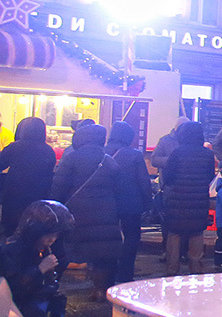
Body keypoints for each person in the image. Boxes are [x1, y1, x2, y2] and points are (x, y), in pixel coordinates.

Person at [50, 123, 124, 301]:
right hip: (106, 213)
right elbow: (119, 189)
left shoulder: (72, 158)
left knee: (64, 250)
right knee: (102, 253)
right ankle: (100, 289)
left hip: (78, 212)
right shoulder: (108, 160)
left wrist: (55, 208)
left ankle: (52, 286)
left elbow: (59, 186)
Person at [159, 121, 216, 276]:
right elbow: (210, 176)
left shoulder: (177, 153)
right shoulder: (208, 154)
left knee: (175, 233)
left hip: (177, 201)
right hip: (199, 201)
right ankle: (196, 268)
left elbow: (168, 177)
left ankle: (172, 268)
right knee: (196, 233)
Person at [104, 122, 152, 286]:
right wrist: (148, 203)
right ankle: (125, 274)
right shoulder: (134, 155)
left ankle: (106, 274)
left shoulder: (102, 152)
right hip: (130, 202)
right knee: (131, 238)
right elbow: (143, 181)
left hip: (107, 202)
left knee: (108, 238)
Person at [0, 117, 56, 234]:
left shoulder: (15, 147)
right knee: (33, 229)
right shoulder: (48, 150)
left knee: (11, 229)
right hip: (39, 195)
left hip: (14, 195)